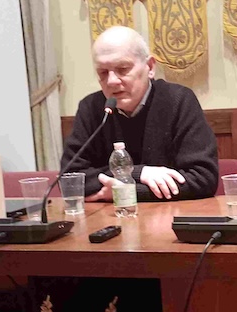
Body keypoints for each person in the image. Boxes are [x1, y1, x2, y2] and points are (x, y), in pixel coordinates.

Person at [61, 25, 219, 201]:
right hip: (111, 216)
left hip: (170, 215)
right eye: (103, 72)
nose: (111, 81)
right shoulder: (91, 108)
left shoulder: (178, 100)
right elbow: (70, 179)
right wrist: (137, 173)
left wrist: (126, 192)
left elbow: (203, 178)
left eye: (122, 69)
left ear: (150, 67)